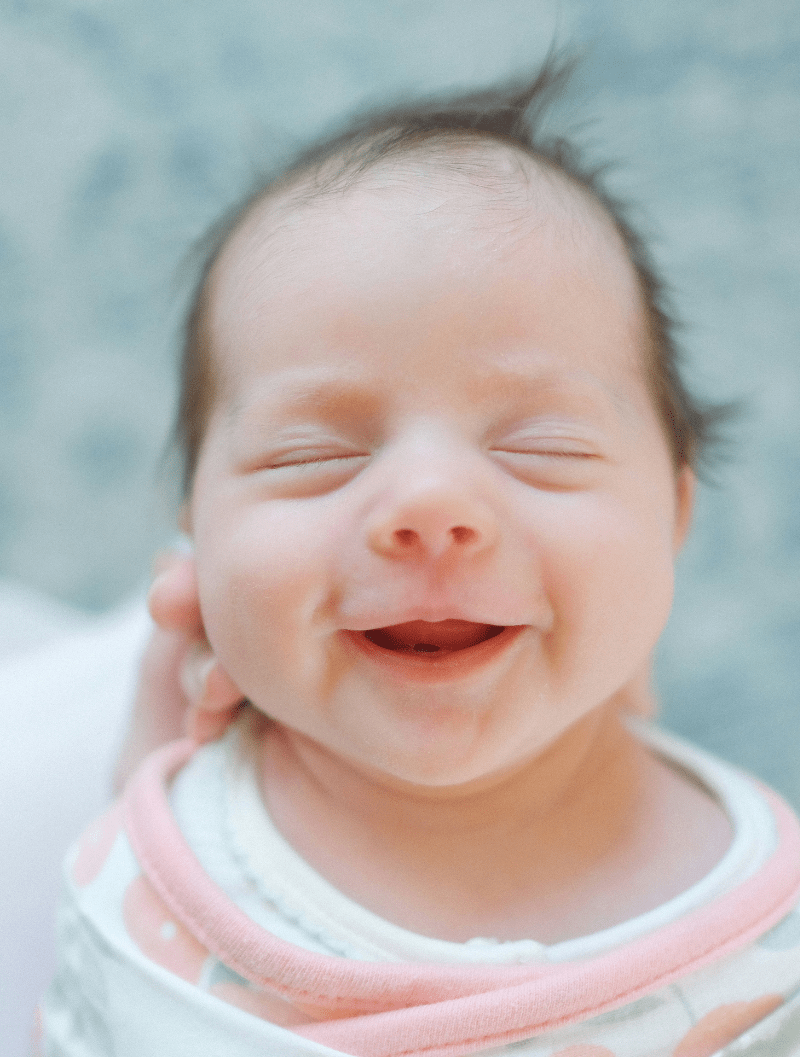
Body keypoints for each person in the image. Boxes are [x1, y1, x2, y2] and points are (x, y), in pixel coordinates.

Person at [39, 61, 800, 1056]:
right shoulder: (154, 875)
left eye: (540, 446)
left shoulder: (763, 937)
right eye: (314, 455)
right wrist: (150, 770)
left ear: (672, 513)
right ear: (197, 536)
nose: (428, 505)